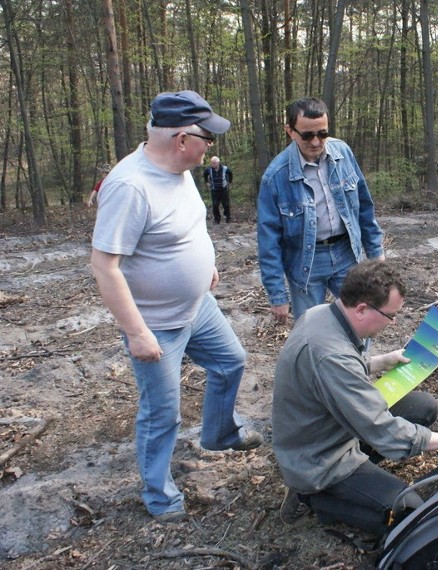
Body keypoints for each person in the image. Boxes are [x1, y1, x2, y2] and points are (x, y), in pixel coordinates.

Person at [90, 90, 262, 523]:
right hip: (156, 323)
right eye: (208, 137)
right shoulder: (130, 187)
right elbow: (104, 266)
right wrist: (136, 332)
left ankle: (220, 433)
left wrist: (209, 265)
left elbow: (189, 226)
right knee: (162, 413)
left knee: (230, 361)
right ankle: (159, 495)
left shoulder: (182, 169)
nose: (212, 146)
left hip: (196, 306)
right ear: (183, 139)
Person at [272, 259, 438, 534]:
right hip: (319, 460)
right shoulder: (330, 356)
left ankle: (354, 481)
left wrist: (379, 362)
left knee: (422, 407)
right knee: (409, 510)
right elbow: (381, 428)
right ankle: (314, 498)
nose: (392, 324)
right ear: (361, 309)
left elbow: (336, 372)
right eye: (391, 316)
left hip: (331, 427)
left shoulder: (321, 314)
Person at [257, 97, 385, 326]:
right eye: (307, 135)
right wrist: (277, 295)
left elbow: (364, 206)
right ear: (290, 131)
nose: (316, 142)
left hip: (347, 254)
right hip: (305, 261)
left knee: (362, 320)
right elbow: (268, 241)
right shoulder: (275, 177)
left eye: (323, 134)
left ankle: (358, 363)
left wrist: (375, 252)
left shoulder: (343, 153)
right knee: (310, 332)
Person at [203, 155, 233, 223]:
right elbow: (205, 174)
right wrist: (207, 182)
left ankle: (228, 218)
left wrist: (229, 182)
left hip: (223, 189)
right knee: (215, 205)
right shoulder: (209, 169)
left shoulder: (225, 168)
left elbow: (230, 173)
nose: (212, 164)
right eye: (212, 163)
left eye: (214, 163)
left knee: (226, 204)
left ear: (218, 163)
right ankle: (217, 219)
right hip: (214, 190)